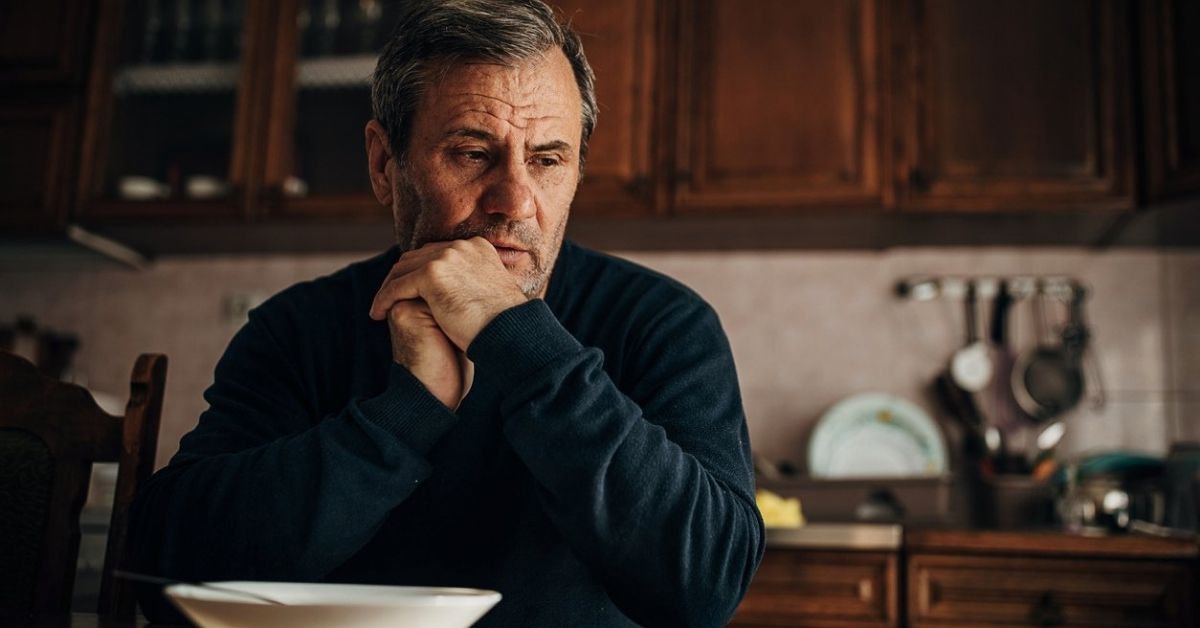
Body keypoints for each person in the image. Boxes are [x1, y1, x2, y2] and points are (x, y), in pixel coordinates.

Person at [129, 1, 763, 625]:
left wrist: (514, 337)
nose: (515, 199)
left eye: (546, 160)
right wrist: (408, 411)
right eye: (471, 153)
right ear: (385, 165)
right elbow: (166, 569)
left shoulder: (662, 323)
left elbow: (704, 587)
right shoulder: (298, 329)